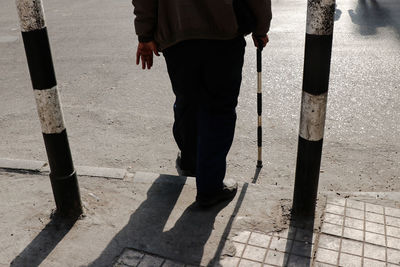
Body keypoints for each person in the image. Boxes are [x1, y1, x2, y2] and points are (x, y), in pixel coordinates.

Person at [132, 0, 272, 207]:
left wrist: (145, 35)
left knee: (187, 101)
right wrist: (260, 28)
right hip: (223, 35)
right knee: (218, 110)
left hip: (177, 37)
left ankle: (190, 161)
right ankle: (210, 188)